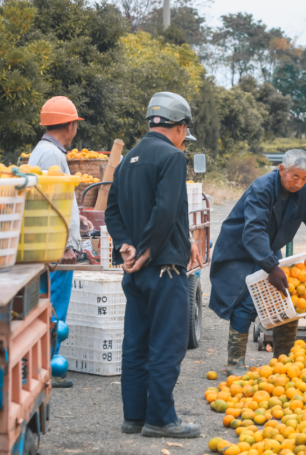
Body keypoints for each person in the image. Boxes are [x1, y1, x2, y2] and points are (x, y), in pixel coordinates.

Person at [105, 92, 202, 439]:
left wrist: (126, 246)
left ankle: (134, 416)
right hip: (164, 271)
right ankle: (161, 419)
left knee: (136, 344)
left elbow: (111, 211)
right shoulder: (173, 158)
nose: (183, 141)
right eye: (184, 133)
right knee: (167, 345)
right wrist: (146, 250)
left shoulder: (128, 158)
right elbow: (163, 212)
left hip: (136, 274)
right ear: (179, 127)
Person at [209, 149, 306, 377]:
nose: (300, 183)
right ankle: (235, 363)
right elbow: (253, 231)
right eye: (295, 177)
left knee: (285, 298)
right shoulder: (262, 189)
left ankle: (283, 359)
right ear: (282, 170)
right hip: (239, 249)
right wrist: (271, 267)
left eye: (305, 178)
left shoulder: (305, 191)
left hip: (268, 248)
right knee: (245, 301)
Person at [29, 96, 94, 389]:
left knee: (49, 304)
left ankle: (43, 365)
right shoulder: (53, 155)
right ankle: (49, 368)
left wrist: (77, 219)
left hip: (49, 240)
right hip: (56, 246)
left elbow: (55, 199)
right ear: (70, 126)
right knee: (55, 306)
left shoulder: (43, 151)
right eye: (75, 125)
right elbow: (54, 203)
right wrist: (68, 244)